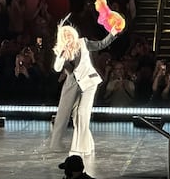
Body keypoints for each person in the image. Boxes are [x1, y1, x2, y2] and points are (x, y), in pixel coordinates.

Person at [50, 22, 120, 156]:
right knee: (70, 115)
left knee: (82, 113)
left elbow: (101, 44)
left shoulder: (83, 43)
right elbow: (57, 68)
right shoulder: (61, 51)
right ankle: (80, 144)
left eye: (70, 34)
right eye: (65, 36)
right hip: (72, 83)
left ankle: (81, 147)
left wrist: (112, 33)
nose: (68, 37)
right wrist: (61, 55)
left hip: (88, 81)